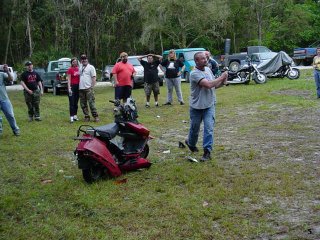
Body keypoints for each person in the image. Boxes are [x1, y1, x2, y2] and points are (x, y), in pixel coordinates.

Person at [185, 52, 228, 161]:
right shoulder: (194, 73)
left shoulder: (208, 70)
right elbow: (208, 85)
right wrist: (221, 77)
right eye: (203, 59)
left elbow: (214, 86)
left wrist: (223, 81)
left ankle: (207, 152)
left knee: (208, 128)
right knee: (194, 129)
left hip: (209, 105)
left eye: (206, 58)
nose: (206, 60)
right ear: (196, 61)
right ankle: (190, 143)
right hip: (196, 107)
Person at [0, 64, 20, 136]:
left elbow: (11, 79)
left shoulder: (1, 74)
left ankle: (15, 129)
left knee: (10, 115)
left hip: (4, 99)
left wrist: (7, 71)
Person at [79, 54, 99, 122]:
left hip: (88, 88)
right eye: (82, 59)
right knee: (83, 104)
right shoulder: (79, 67)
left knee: (91, 103)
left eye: (85, 59)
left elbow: (94, 77)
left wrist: (92, 87)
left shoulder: (91, 67)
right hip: (81, 89)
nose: (84, 60)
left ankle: (95, 116)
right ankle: (86, 116)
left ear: (87, 59)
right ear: (81, 60)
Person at [67, 57, 80, 123]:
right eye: (73, 62)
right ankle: (71, 117)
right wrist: (69, 88)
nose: (75, 63)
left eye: (76, 61)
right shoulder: (70, 69)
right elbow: (69, 79)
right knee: (71, 102)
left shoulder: (78, 69)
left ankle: (75, 115)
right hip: (72, 86)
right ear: (71, 63)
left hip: (78, 87)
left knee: (76, 102)